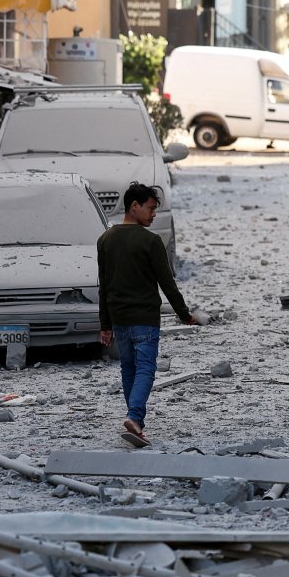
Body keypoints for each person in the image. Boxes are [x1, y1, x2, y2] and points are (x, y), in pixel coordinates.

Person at [97, 183, 197, 446]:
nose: (154, 214)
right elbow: (167, 284)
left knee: (129, 369)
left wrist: (105, 325)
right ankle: (134, 417)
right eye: (151, 208)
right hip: (144, 320)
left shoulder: (105, 239)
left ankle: (135, 424)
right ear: (134, 206)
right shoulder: (151, 241)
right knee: (146, 369)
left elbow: (103, 285)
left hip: (119, 319)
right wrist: (184, 314)